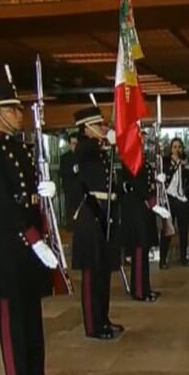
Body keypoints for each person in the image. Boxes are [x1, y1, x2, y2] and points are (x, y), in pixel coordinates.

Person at [0, 81, 59, 375]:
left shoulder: (21, 148)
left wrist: (43, 191)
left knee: (31, 312)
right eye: (11, 108)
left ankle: (36, 372)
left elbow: (27, 194)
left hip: (29, 237)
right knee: (13, 317)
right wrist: (33, 237)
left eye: (17, 107)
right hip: (9, 240)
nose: (18, 113)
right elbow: (4, 200)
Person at [71, 105, 124, 339]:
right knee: (92, 274)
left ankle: (103, 318)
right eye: (99, 125)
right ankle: (93, 325)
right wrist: (108, 139)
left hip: (106, 211)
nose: (103, 128)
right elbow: (86, 150)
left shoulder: (99, 150)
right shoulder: (84, 147)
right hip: (91, 214)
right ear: (87, 128)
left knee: (103, 271)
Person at [119, 153, 164, 302]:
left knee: (144, 251)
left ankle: (145, 287)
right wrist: (152, 202)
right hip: (136, 209)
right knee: (139, 249)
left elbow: (146, 181)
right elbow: (136, 184)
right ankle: (138, 291)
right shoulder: (130, 159)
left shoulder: (140, 159)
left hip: (143, 209)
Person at [159, 137, 189, 268]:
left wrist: (186, 167)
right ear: (171, 149)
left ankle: (183, 257)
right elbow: (164, 177)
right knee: (167, 230)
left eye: (179, 146)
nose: (177, 149)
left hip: (182, 199)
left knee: (183, 230)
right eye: (174, 146)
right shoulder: (165, 162)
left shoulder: (186, 162)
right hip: (169, 199)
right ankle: (163, 259)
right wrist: (175, 164)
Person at [59, 132, 82, 229]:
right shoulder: (64, 157)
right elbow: (62, 172)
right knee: (70, 212)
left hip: (81, 189)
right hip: (70, 189)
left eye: (76, 143)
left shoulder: (82, 156)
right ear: (69, 144)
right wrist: (73, 170)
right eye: (73, 143)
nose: (75, 146)